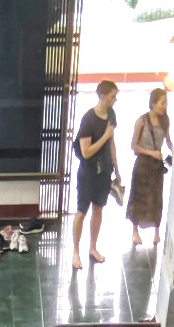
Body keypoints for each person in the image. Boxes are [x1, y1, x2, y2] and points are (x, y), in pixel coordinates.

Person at [71, 81, 122, 270]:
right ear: (102, 96)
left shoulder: (111, 114)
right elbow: (86, 152)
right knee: (81, 212)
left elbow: (112, 143)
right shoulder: (88, 119)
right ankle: (76, 251)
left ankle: (92, 247)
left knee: (98, 209)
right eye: (112, 96)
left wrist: (117, 168)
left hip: (104, 171)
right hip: (88, 173)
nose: (115, 100)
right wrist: (105, 135)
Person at [127, 88, 174, 247]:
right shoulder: (142, 121)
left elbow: (167, 140)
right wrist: (151, 153)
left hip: (156, 165)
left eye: (165, 103)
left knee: (156, 196)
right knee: (139, 196)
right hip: (143, 163)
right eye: (162, 103)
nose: (164, 106)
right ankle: (135, 230)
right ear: (153, 103)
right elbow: (134, 146)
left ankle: (156, 230)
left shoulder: (164, 121)